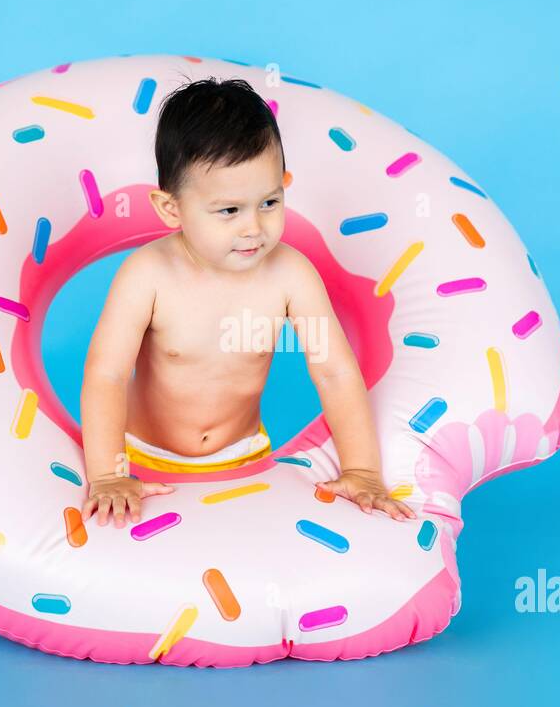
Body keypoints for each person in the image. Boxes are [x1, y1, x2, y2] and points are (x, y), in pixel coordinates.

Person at [79, 77, 416, 527]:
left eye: (269, 202)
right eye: (229, 211)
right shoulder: (148, 275)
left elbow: (334, 371)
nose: (254, 228)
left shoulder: (290, 275)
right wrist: (108, 474)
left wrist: (362, 470)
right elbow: (107, 373)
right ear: (170, 209)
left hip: (245, 459)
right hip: (144, 456)